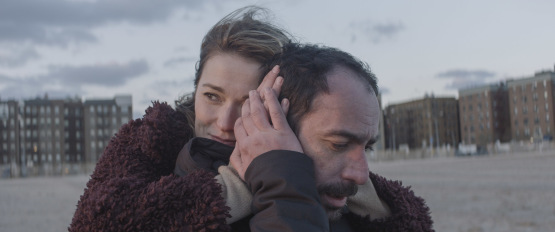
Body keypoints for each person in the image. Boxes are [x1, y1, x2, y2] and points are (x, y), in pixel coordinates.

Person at [69, 6, 292, 231]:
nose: (224, 123)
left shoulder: (304, 167)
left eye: (248, 104)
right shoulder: (151, 139)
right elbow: (96, 222)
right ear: (195, 91)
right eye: (212, 96)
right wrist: (233, 190)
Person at [229, 43, 435, 231]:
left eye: (367, 147)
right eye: (339, 145)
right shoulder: (208, 215)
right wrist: (282, 183)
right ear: (267, 125)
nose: (362, 176)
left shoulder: (390, 216)